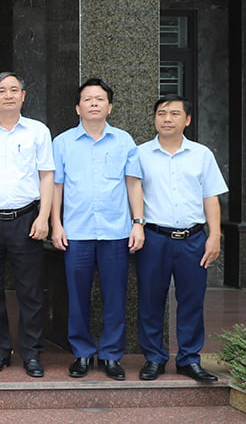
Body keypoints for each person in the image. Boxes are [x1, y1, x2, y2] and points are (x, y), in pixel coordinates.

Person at [51, 77, 144, 381]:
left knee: (115, 297)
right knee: (77, 298)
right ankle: (81, 353)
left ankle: (111, 355)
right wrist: (56, 224)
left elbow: (133, 183)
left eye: (100, 99)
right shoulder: (62, 142)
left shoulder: (124, 141)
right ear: (77, 107)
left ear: (110, 107)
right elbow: (57, 187)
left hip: (115, 233)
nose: (93, 103)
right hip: (76, 234)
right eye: (88, 99)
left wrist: (138, 223)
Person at [136, 94, 227, 382]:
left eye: (174, 114)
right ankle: (154, 358)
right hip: (154, 237)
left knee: (191, 300)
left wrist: (214, 236)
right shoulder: (139, 154)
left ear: (187, 120)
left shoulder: (202, 155)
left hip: (192, 239)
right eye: (161, 113)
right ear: (154, 118)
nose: (167, 119)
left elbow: (210, 197)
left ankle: (189, 359)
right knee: (151, 300)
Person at [0, 72, 54, 378]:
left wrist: (44, 217)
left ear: (23, 95)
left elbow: (47, 175)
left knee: (31, 292)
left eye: (13, 90)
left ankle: (32, 353)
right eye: (1, 91)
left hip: (27, 219)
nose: (8, 95)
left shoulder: (37, 131)